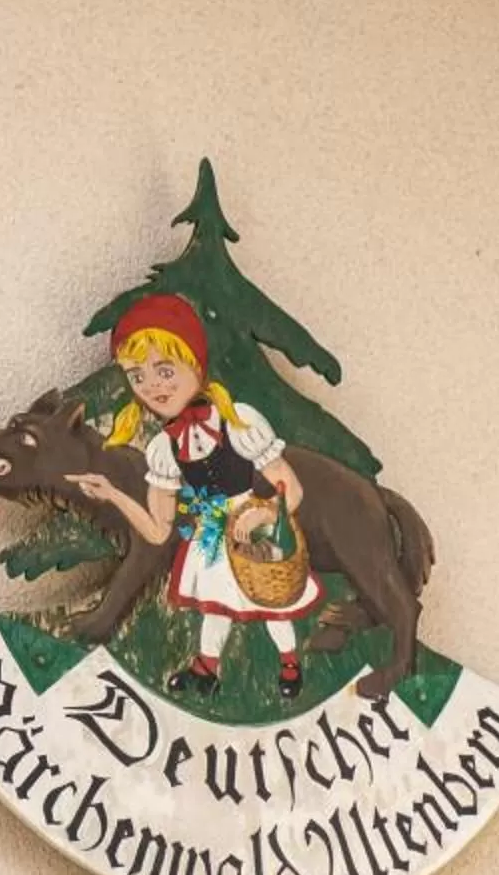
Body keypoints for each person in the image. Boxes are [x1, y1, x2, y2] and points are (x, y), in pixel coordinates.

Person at [65, 293, 317, 699]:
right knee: (214, 607)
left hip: (251, 523)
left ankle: (290, 664)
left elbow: (293, 488)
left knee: (271, 598)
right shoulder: (163, 448)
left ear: (195, 365)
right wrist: (112, 494)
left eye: (164, 370)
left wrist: (267, 512)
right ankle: (207, 669)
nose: (151, 386)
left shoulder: (239, 421)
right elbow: (157, 530)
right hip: (211, 534)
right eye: (137, 376)